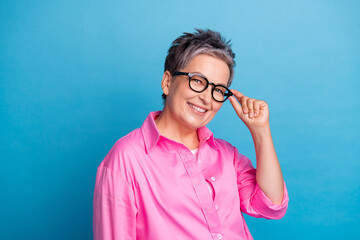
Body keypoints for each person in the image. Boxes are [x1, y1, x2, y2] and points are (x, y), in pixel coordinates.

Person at [93, 29, 289, 240]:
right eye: (197, 81)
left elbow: (272, 205)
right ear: (167, 82)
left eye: (218, 90)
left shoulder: (226, 155)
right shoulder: (126, 158)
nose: (206, 98)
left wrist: (260, 131)